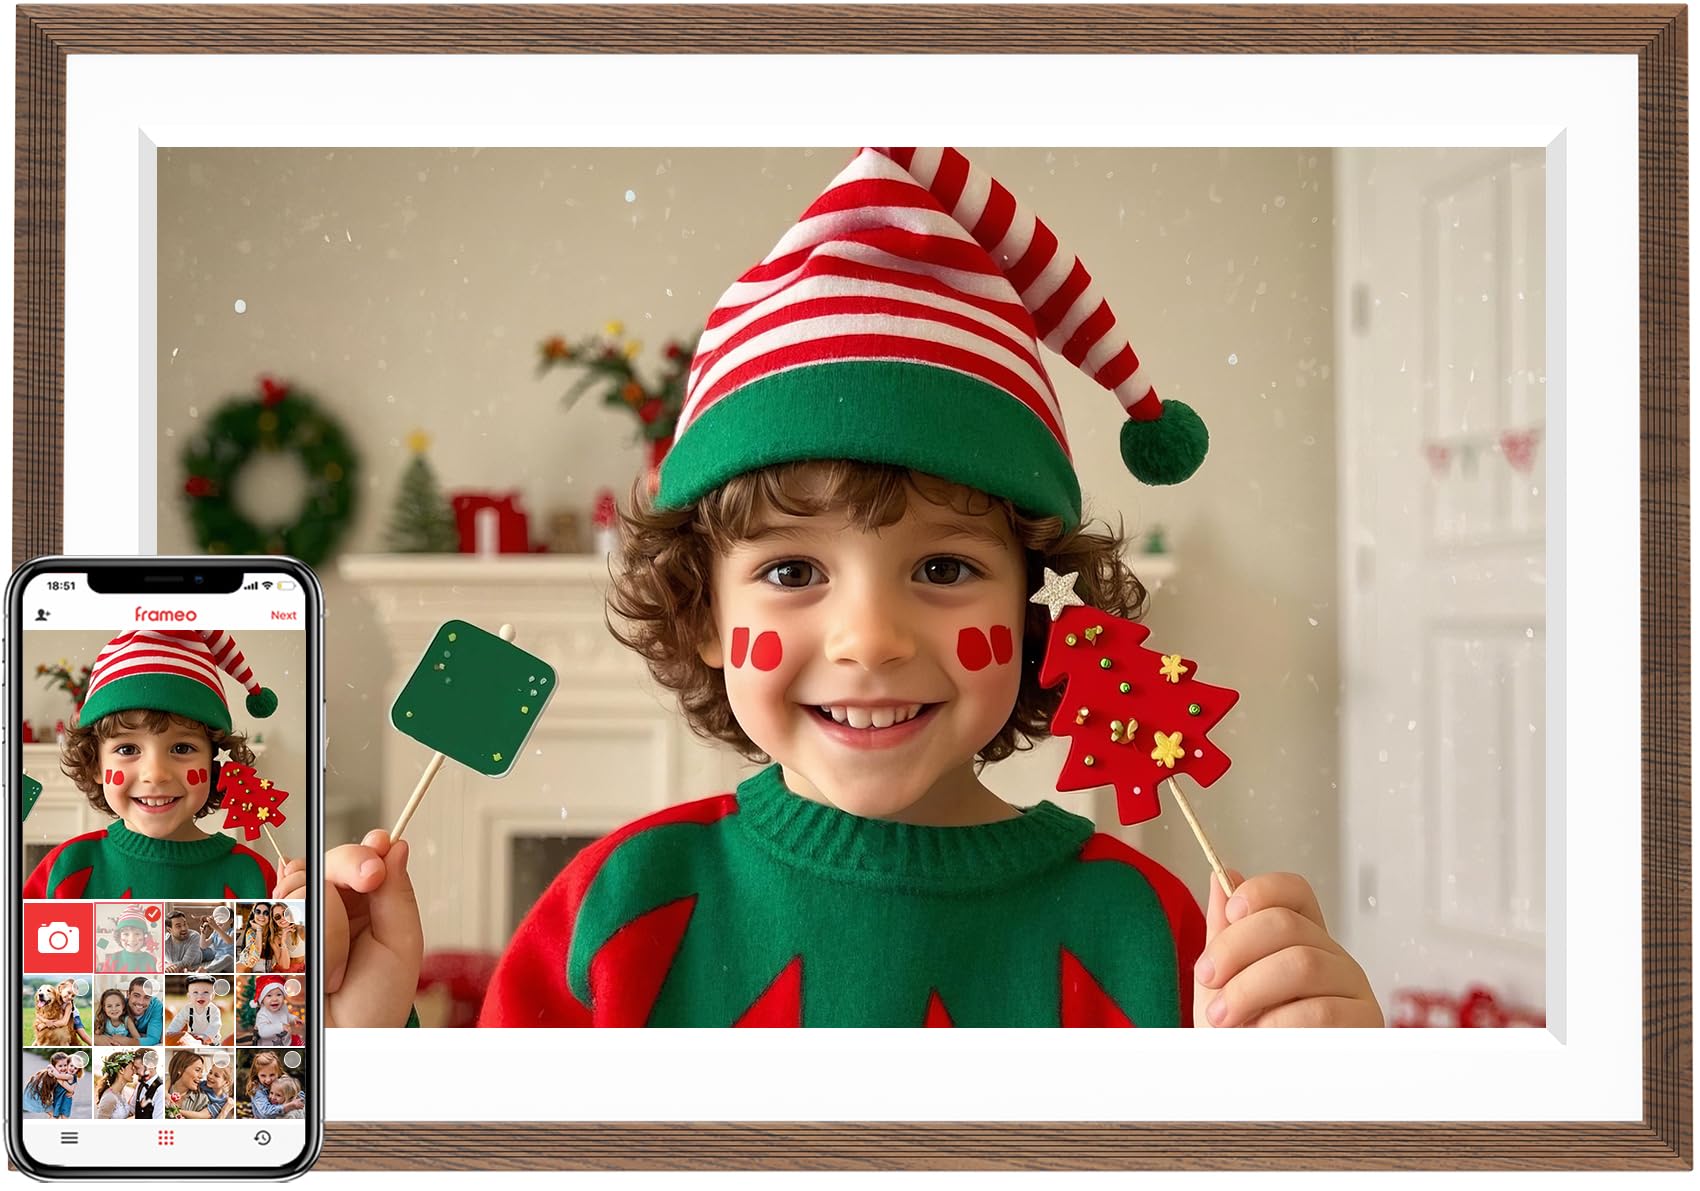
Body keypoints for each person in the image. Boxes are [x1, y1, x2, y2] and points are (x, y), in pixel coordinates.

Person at [302, 147, 1382, 1029]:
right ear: (705, 615)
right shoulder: (616, 911)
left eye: (945, 568)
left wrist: (1324, 1118)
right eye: (790, 570)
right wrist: (370, 1045)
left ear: (1035, 616)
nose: (869, 637)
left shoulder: (1163, 938)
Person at [22, 627, 293, 899]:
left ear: (214, 762)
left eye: (182, 748)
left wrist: (309, 915)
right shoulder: (66, 869)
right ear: (95, 765)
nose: (155, 774)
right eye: (128, 748)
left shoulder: (255, 877)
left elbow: (290, 941)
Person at [165, 975, 224, 1046]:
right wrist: (171, 1032)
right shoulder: (187, 1009)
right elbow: (178, 1021)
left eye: (206, 992)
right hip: (194, 1039)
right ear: (189, 996)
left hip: (211, 1041)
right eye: (195, 992)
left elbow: (215, 1025)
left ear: (213, 996)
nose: (200, 996)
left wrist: (206, 1036)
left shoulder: (213, 1010)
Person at [244, 1051, 302, 1119]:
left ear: (278, 1072)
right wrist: (289, 1106)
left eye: (272, 1075)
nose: (268, 1080)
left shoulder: (283, 1081)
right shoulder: (257, 1089)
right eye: (263, 1075)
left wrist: (299, 1100)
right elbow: (266, 1112)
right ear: (257, 1074)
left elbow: (298, 1093)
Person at [99, 907, 158, 974]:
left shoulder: (153, 961)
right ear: (119, 937)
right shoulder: (111, 960)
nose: (132, 939)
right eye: (126, 934)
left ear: (145, 936)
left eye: (137, 934)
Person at [94, 1049, 147, 1119]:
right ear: (121, 1070)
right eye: (132, 1068)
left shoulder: (120, 1094)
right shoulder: (109, 1098)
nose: (134, 1071)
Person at [250, 974, 301, 1046]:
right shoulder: (262, 1014)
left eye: (279, 994)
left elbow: (286, 1016)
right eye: (269, 995)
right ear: (262, 1000)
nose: (274, 999)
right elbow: (263, 1031)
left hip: (287, 1042)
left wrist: (294, 1018)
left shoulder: (283, 1007)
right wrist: (280, 1027)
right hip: (270, 1045)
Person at [163, 1051, 212, 1119]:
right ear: (180, 1069)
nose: (201, 1076)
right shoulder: (162, 1091)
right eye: (197, 1070)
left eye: (201, 1072)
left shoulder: (202, 1099)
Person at [125, 977, 164, 1046]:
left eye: (147, 997)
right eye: (136, 996)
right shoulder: (119, 1005)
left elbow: (153, 1039)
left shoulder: (156, 1006)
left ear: (151, 998)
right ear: (128, 994)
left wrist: (127, 1041)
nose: (141, 1002)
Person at [236, 901, 271, 973]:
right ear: (253, 914)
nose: (261, 915)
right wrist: (259, 929)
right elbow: (255, 954)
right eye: (258, 912)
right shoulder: (251, 932)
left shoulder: (272, 932)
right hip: (244, 969)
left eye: (266, 913)